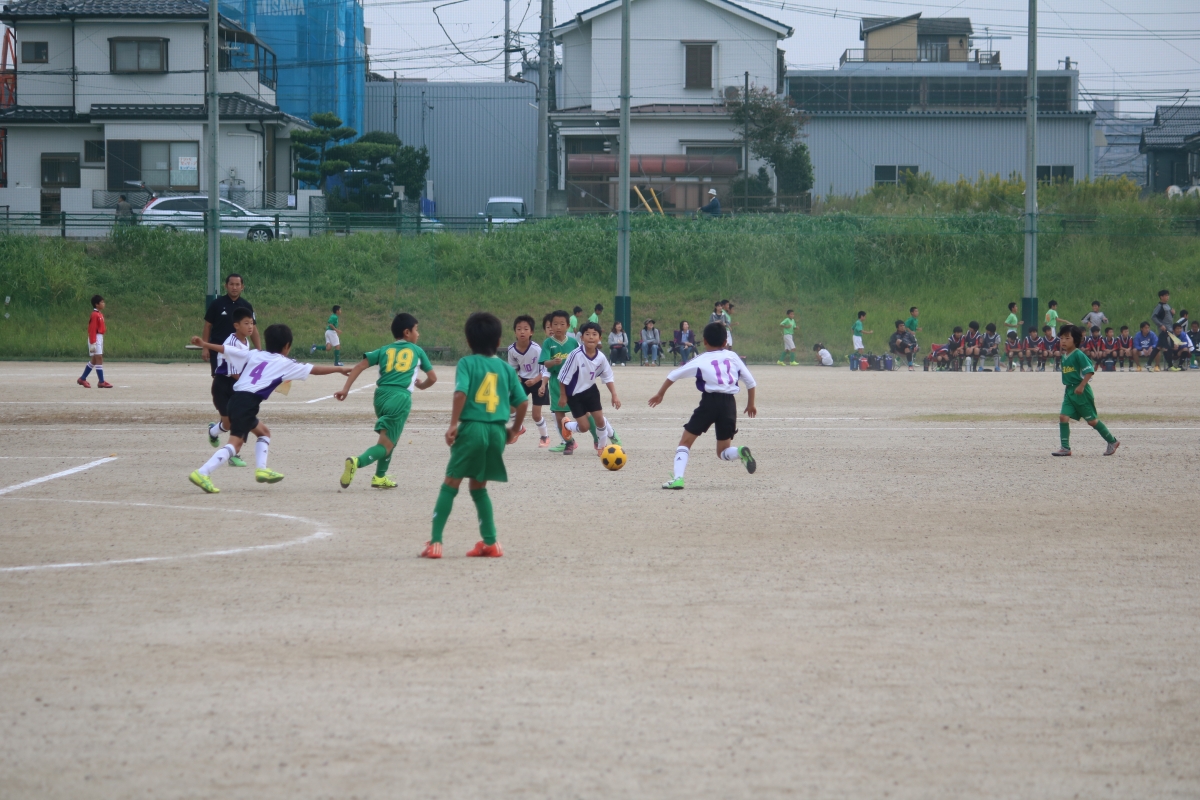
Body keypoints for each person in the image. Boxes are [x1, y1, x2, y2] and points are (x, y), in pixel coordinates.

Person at [187, 324, 350, 492]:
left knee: (263, 432)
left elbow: (227, 349)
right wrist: (339, 369)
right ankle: (203, 472)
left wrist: (205, 344)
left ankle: (262, 470)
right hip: (247, 403)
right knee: (235, 445)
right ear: (287, 346)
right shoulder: (285, 363)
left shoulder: (255, 354)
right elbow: (314, 369)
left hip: (236, 399)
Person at [422, 312, 528, 559]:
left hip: (472, 429)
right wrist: (514, 429)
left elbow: (460, 393)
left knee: (451, 483)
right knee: (479, 486)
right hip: (497, 432)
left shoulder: (467, 363)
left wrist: (453, 424)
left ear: (468, 341)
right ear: (499, 341)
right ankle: (490, 542)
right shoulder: (506, 368)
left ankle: (435, 542)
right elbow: (522, 402)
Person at [649, 321, 757, 490]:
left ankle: (678, 478)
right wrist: (751, 404)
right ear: (725, 342)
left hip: (709, 402)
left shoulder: (701, 359)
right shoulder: (733, 356)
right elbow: (751, 382)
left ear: (705, 341)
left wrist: (660, 394)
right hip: (729, 404)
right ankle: (739, 451)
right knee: (723, 451)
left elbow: (674, 375)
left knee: (685, 442)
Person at [336, 312, 438, 489]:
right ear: (407, 332)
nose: (418, 333)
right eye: (416, 329)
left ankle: (380, 477)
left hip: (380, 397)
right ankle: (356, 461)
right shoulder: (417, 351)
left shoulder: (384, 349)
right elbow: (433, 378)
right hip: (400, 398)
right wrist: (421, 386)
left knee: (390, 438)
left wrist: (346, 389)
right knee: (386, 444)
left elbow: (359, 366)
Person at [1052, 324, 1120, 457]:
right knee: (1063, 416)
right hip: (1069, 391)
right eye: (1061, 338)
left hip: (1081, 392)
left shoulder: (1078, 354)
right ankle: (1065, 448)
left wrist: (1082, 386)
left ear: (1075, 340)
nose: (1063, 341)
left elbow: (1090, 371)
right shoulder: (1064, 356)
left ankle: (1112, 441)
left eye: (1067, 338)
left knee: (1092, 421)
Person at [557, 322, 622, 455]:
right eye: (587, 334)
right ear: (582, 338)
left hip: (591, 391)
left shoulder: (601, 358)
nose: (591, 337)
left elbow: (608, 377)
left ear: (600, 338)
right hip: (574, 395)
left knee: (600, 420)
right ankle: (567, 425)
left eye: (594, 334)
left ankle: (602, 447)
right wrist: (563, 395)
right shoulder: (575, 355)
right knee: (584, 427)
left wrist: (614, 395)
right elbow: (563, 376)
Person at [205, 308, 256, 467]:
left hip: (236, 385)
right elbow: (233, 372)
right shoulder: (231, 343)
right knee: (227, 424)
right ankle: (213, 432)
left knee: (237, 421)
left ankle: (233, 454)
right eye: (246, 323)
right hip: (223, 385)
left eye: (252, 323)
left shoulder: (246, 341)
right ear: (236, 325)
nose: (250, 327)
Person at [202, 273, 261, 374]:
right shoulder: (216, 304)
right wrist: (205, 348)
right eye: (231, 284)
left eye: (237, 284)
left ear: (242, 287)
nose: (234, 287)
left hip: (239, 351)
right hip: (218, 348)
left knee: (239, 377)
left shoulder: (246, 306)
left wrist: (259, 350)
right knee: (220, 376)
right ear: (226, 286)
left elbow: (253, 329)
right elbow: (207, 326)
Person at [506, 315, 551, 446]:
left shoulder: (536, 349)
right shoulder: (511, 350)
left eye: (526, 329)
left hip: (538, 381)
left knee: (536, 415)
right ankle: (519, 428)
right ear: (515, 332)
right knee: (510, 404)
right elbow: (513, 369)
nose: (522, 332)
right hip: (523, 382)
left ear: (531, 332)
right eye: (519, 329)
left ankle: (544, 436)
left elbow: (545, 370)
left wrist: (535, 381)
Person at [539, 310, 579, 453]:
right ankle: (569, 442)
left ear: (568, 326)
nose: (558, 327)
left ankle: (599, 437)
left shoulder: (573, 342)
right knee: (558, 414)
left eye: (562, 324)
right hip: (556, 382)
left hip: (572, 382)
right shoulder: (548, 343)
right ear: (550, 325)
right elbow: (545, 363)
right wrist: (553, 362)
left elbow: (580, 359)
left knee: (583, 412)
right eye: (555, 324)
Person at [77, 295, 113, 389]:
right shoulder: (94, 314)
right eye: (102, 302)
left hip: (99, 337)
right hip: (95, 337)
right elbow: (92, 328)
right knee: (99, 358)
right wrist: (93, 341)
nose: (104, 304)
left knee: (94, 359)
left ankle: (82, 378)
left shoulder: (99, 314)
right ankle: (101, 381)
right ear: (96, 304)